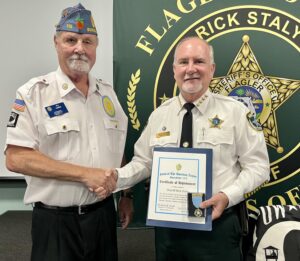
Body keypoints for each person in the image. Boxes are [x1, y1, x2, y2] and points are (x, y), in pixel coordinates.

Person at [109, 36, 270, 260]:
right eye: (184, 62)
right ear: (174, 69)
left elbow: (259, 167)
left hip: (218, 224)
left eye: (199, 61)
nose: (191, 69)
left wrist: (227, 195)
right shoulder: (159, 115)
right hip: (169, 231)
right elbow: (144, 162)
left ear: (212, 69)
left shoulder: (236, 112)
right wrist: (115, 178)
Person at [5, 4, 132, 261]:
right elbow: (16, 158)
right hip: (56, 223)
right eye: (71, 40)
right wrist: (85, 174)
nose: (80, 48)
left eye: (88, 41)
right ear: (56, 42)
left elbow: (116, 150)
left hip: (103, 218)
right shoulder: (34, 94)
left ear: (96, 46)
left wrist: (126, 195)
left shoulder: (107, 94)